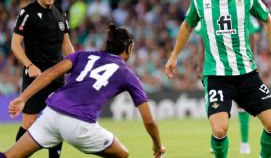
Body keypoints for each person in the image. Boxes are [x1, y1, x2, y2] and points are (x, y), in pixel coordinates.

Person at [165, 0, 271, 158]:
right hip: (217, 76)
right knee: (220, 130)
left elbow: (267, 18)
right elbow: (186, 26)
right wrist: (174, 55)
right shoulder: (201, 0)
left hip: (247, 73)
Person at [2, 24, 166, 158]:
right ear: (128, 49)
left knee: (10, 156)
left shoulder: (82, 55)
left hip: (50, 114)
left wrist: (23, 97)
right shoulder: (127, 73)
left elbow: (50, 73)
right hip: (79, 123)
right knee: (122, 154)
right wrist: (157, 146)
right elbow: (149, 120)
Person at [10, 0, 74, 158]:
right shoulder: (27, 13)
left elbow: (67, 45)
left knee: (58, 121)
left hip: (57, 77)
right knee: (29, 121)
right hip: (35, 77)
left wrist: (78, 65)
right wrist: (29, 65)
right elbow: (15, 45)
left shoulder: (61, 13)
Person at [197, 16, 262, 154]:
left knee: (242, 105)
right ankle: (219, 139)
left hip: (240, 66)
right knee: (217, 108)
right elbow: (203, 39)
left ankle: (244, 143)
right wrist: (201, 62)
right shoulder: (208, 13)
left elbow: (252, 36)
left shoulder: (243, 12)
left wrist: (251, 60)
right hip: (217, 69)